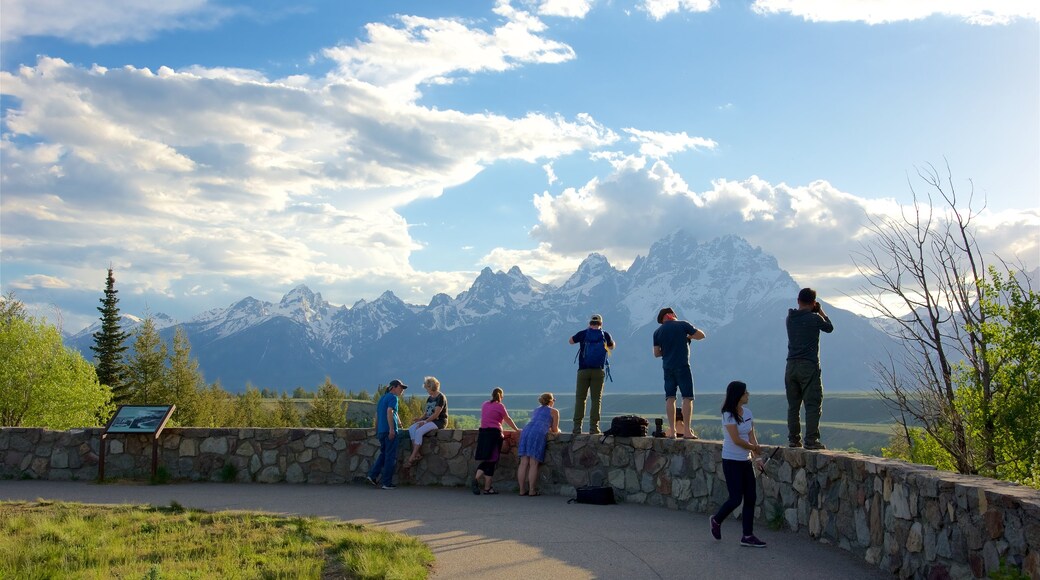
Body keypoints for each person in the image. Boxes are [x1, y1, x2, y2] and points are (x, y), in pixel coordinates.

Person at [710, 380, 767, 548]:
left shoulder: (748, 412)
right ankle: (716, 520)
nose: (748, 394)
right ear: (738, 395)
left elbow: (751, 435)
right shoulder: (728, 414)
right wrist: (753, 448)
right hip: (731, 461)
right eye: (745, 392)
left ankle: (747, 536)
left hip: (745, 461)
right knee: (735, 499)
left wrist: (757, 458)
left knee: (751, 497)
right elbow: (736, 440)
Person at [785, 288, 834, 450]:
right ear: (813, 303)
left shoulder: (790, 318)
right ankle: (811, 440)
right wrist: (820, 311)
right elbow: (829, 327)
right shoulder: (814, 318)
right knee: (812, 403)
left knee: (793, 405)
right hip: (808, 365)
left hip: (791, 365)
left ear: (798, 300)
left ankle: (793, 439)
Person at [652, 307, 706, 439]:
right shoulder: (683, 325)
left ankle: (672, 431)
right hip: (682, 366)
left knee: (670, 398)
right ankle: (687, 431)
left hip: (667, 367)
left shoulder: (657, 332)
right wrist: (689, 336)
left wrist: (668, 350)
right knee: (687, 398)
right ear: (671, 315)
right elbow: (701, 335)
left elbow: (656, 353)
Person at [569, 313, 616, 434]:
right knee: (596, 399)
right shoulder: (605, 334)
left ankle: (577, 427)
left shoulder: (583, 333)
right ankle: (594, 428)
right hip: (598, 371)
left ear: (590, 323)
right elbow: (611, 347)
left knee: (580, 399)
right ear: (601, 323)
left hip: (583, 370)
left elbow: (571, 341)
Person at [472, 387, 520, 495]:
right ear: (501, 396)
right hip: (494, 434)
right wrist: (517, 430)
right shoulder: (500, 406)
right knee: (492, 460)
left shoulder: (484, 404)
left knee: (488, 459)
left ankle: (485, 486)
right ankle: (479, 482)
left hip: (483, 433)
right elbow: (507, 419)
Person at [516, 392, 561, 496]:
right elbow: (555, 429)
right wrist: (558, 430)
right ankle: (532, 490)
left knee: (523, 463)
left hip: (526, 431)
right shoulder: (554, 411)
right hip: (537, 434)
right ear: (550, 401)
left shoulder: (536, 410)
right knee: (533, 463)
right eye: (553, 400)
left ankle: (521, 490)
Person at [366, 379, 407, 490]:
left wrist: (377, 429)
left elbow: (377, 415)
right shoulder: (393, 398)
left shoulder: (382, 398)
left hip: (381, 431)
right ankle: (387, 483)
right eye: (400, 387)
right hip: (389, 431)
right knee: (390, 457)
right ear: (393, 387)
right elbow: (390, 411)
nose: (402, 390)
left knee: (384, 454)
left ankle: (372, 475)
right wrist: (392, 429)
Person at [404, 376, 448, 468]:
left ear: (431, 387)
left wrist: (424, 422)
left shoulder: (441, 397)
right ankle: (417, 453)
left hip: (439, 422)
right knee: (412, 429)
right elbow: (427, 413)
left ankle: (412, 457)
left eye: (427, 388)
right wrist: (420, 419)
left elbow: (436, 414)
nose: (426, 390)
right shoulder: (430, 398)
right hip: (429, 420)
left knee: (419, 431)